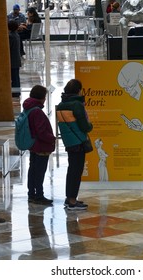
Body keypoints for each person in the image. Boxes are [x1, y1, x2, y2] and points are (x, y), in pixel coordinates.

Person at [56, 79, 93, 211]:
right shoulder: (77, 105)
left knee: (72, 170)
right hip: (78, 142)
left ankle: (69, 198)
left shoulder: (61, 105)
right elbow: (85, 127)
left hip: (69, 142)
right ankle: (72, 201)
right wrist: (90, 126)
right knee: (76, 172)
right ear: (78, 90)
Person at [24, 85, 56, 205]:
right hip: (41, 146)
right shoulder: (37, 111)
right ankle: (39, 195)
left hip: (33, 145)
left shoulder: (28, 107)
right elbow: (41, 132)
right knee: (39, 171)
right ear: (42, 97)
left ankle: (31, 194)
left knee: (33, 170)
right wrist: (52, 138)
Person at [8, 20, 22, 91]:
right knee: (16, 77)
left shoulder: (10, 36)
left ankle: (15, 92)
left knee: (14, 77)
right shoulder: (16, 35)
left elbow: (8, 47)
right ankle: (17, 91)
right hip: (16, 59)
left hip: (12, 60)